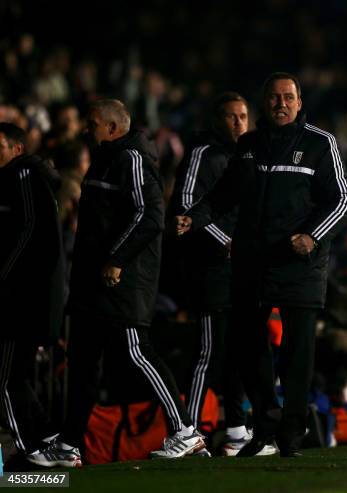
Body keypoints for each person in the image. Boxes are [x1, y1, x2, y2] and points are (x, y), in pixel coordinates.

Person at [176, 72, 347, 457]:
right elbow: (226, 193)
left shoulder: (321, 144)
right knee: (248, 347)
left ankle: (292, 430)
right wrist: (197, 216)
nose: (281, 104)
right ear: (264, 103)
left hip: (300, 265)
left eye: (288, 97)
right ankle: (265, 426)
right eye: (274, 97)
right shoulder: (249, 145)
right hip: (252, 264)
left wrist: (311, 236)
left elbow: (341, 199)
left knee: (296, 352)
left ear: (300, 102)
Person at [27, 99, 207, 468]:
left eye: (92, 123)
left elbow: (150, 216)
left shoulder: (133, 159)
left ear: (113, 127)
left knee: (136, 351)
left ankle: (185, 430)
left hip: (123, 281)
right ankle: (69, 444)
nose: (86, 129)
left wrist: (117, 260)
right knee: (82, 364)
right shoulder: (107, 156)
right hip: (94, 283)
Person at [170, 92, 275, 456]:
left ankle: (236, 430)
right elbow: (184, 205)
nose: (238, 123)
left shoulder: (248, 156)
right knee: (208, 352)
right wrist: (225, 242)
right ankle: (189, 432)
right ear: (217, 120)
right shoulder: (203, 154)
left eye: (244, 116)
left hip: (243, 269)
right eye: (231, 117)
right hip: (211, 268)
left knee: (239, 352)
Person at [0, 123, 63, 469]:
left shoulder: (22, 174)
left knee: (6, 379)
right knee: (17, 374)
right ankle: (49, 438)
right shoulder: (26, 177)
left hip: (19, 300)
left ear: (17, 149)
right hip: (29, 297)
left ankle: (30, 451)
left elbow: (27, 230)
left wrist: (3, 274)